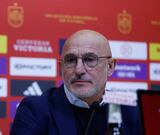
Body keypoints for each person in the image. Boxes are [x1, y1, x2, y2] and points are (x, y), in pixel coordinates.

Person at [10, 29, 142, 135]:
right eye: (71, 60)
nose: (79, 70)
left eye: (90, 59)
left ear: (110, 66)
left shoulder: (130, 109)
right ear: (61, 67)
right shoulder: (35, 109)